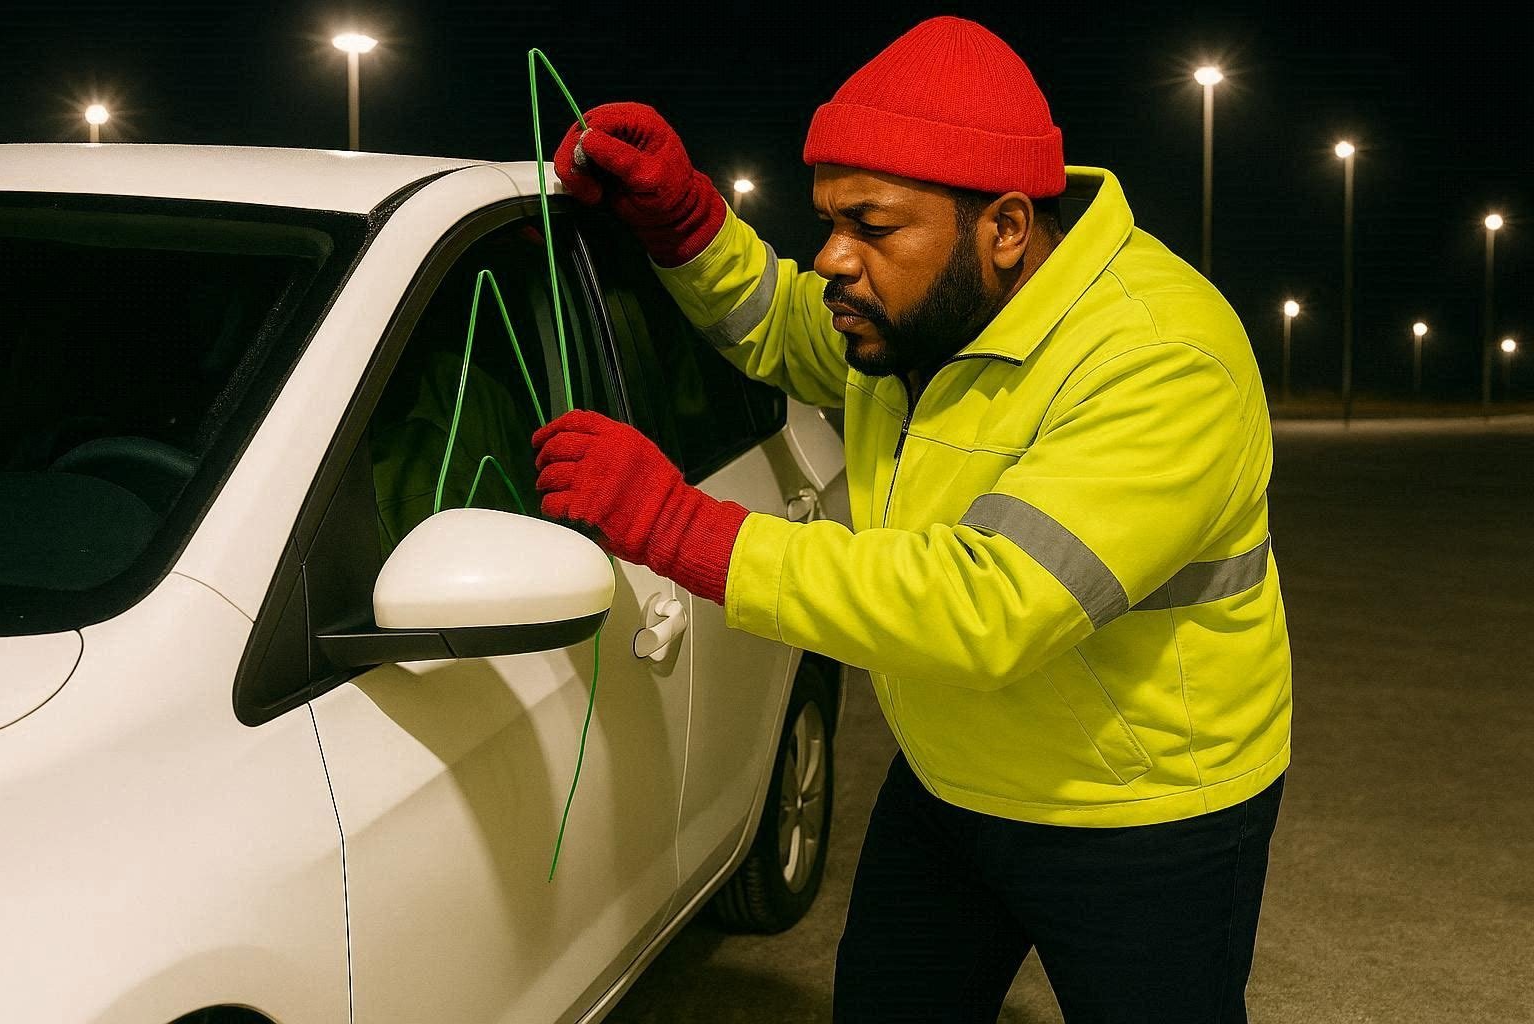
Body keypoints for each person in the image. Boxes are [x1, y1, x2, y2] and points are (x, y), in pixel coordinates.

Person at [532, 15, 1292, 1023]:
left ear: (1007, 228)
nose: (836, 259)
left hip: (1136, 810)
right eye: (829, 221)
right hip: (951, 774)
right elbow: (786, 323)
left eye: (872, 227)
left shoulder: (1161, 355)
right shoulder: (927, 310)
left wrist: (681, 527)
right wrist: (687, 224)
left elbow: (987, 607)